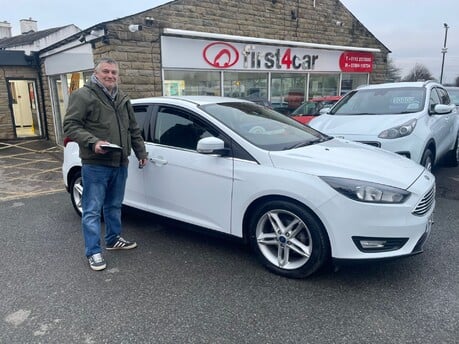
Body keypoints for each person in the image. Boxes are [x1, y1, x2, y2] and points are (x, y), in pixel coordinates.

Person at [63, 57, 148, 271]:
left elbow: (133, 129)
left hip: (120, 161)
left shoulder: (122, 97)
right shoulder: (83, 95)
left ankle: (113, 239)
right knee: (92, 210)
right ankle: (93, 251)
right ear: (96, 73)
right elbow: (70, 125)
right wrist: (93, 143)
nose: (110, 76)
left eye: (114, 72)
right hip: (96, 163)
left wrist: (141, 152)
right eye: (106, 72)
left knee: (114, 205)